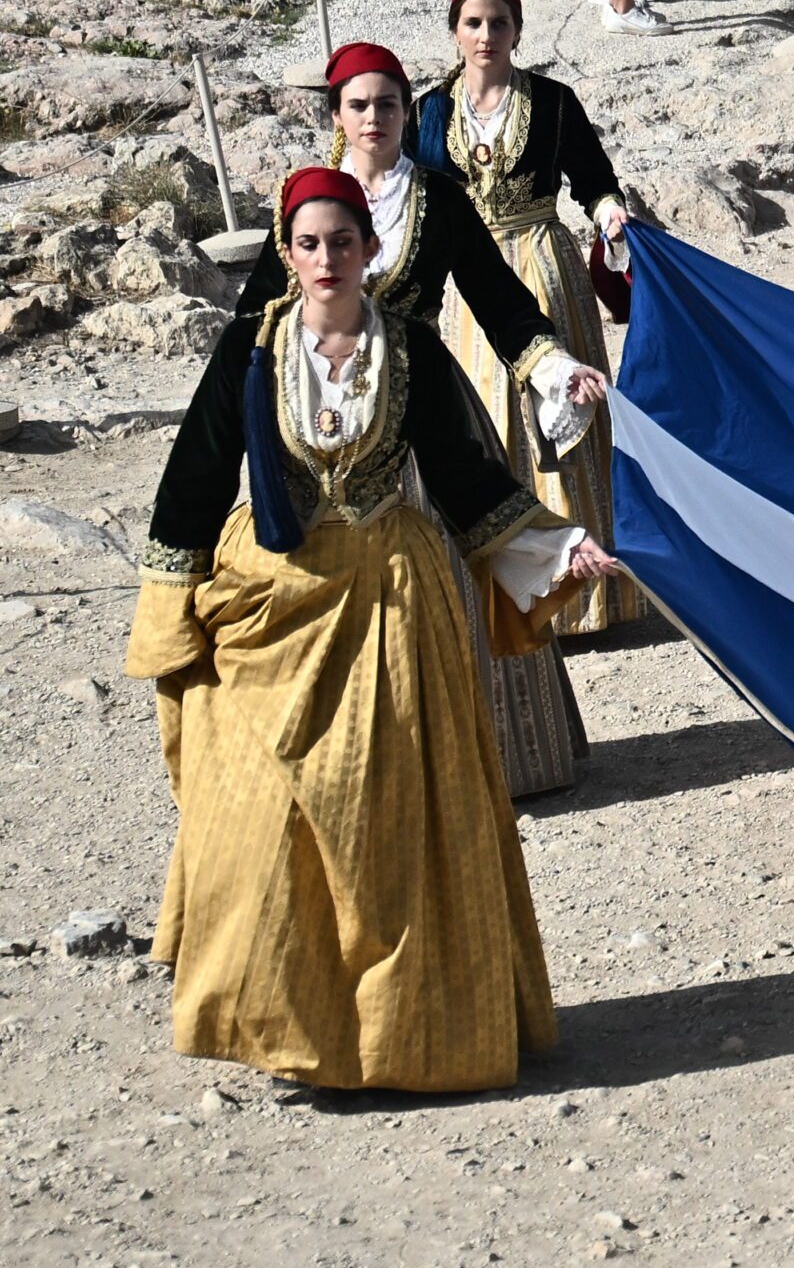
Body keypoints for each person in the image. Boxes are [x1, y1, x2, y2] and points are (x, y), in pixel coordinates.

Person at [129, 166, 614, 1090]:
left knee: (389, 822)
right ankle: (286, 1027)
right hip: (272, 603)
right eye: (308, 244)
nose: (325, 260)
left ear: (370, 251)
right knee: (258, 814)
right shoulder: (248, 351)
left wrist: (557, 552)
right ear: (285, 251)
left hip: (392, 603)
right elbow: (193, 479)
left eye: (342, 242)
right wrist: (169, 610)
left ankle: (407, 1033)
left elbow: (469, 480)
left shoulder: (413, 350)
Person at [235, 42, 611, 796]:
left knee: (452, 571)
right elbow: (256, 324)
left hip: (427, 416)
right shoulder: (308, 207)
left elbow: (498, 298)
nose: (375, 118)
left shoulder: (438, 198)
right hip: (326, 422)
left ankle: (488, 760)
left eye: (389, 103)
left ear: (411, 110)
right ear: (337, 114)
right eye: (359, 104)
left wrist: (551, 365)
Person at [413, 0, 648, 638]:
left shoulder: (552, 101)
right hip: (465, 283)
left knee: (561, 428)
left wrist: (611, 220)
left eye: (499, 22)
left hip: (545, 270)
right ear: (455, 30)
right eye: (474, 23)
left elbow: (595, 182)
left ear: (518, 28)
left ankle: (585, 599)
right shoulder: (430, 112)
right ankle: (505, 593)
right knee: (483, 426)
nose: (487, 35)